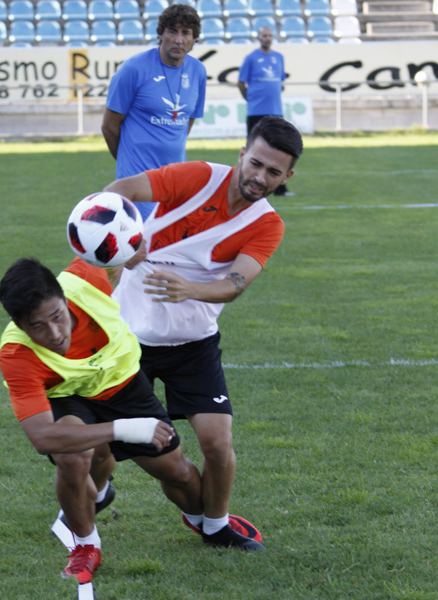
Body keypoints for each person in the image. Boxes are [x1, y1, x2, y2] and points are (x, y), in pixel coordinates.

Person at [106, 116, 303, 551]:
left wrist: (190, 289)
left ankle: (215, 525)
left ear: (287, 177)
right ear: (242, 155)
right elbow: (118, 192)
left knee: (218, 442)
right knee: (105, 440)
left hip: (194, 344)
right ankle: (87, 501)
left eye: (273, 172)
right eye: (256, 163)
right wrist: (126, 239)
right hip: (128, 339)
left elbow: (236, 284)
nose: (260, 177)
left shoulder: (268, 225)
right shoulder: (196, 177)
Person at [0, 257, 218, 584]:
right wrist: (126, 430)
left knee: (177, 472)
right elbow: (43, 437)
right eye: (36, 326)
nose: (55, 333)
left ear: (63, 296)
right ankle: (85, 546)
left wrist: (135, 245)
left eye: (57, 316)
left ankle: (207, 523)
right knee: (73, 458)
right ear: (19, 325)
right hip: (66, 395)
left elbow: (117, 236)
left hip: (123, 384)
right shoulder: (17, 354)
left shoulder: (86, 277)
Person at [101, 4, 208, 182]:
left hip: (176, 178)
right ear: (160, 34)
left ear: (194, 38)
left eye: (186, 33)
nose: (179, 40)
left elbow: (186, 123)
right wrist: (127, 161)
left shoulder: (198, 71)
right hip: (137, 179)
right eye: (172, 31)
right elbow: (109, 127)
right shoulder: (133, 68)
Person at [238, 26, 292, 197]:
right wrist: (251, 99)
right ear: (258, 37)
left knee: (280, 151)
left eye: (270, 35)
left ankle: (280, 189)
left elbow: (279, 82)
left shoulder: (279, 57)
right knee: (253, 150)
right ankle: (243, 184)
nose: (267, 38)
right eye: (264, 35)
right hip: (256, 112)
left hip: (276, 111)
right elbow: (241, 82)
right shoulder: (251, 58)